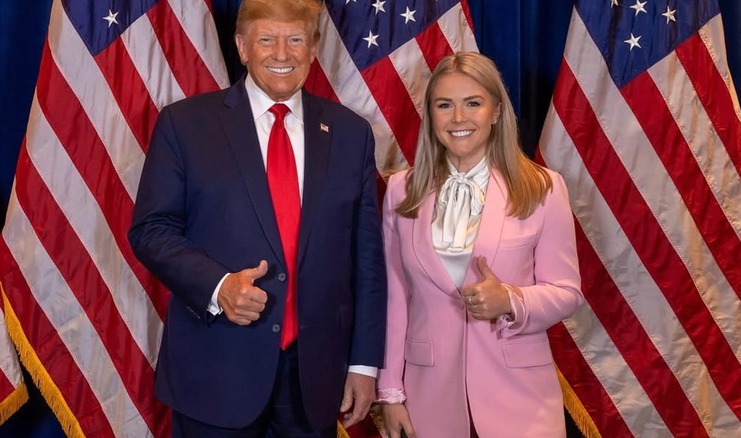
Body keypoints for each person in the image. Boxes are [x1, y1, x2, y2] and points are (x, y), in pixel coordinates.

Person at [128, 0, 387, 436]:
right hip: (215, 370)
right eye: (266, 39)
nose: (282, 53)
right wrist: (219, 286)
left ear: (313, 48)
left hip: (313, 379)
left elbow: (367, 260)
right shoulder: (185, 124)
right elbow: (151, 230)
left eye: (295, 39)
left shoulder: (350, 133)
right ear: (242, 47)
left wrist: (363, 364)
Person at [375, 52, 584, 438]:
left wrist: (510, 300)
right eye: (444, 105)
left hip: (522, 400)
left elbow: (567, 292)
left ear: (496, 111)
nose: (458, 118)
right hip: (428, 399)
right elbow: (394, 298)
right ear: (430, 115)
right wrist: (390, 393)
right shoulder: (402, 190)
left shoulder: (544, 188)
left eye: (473, 103)